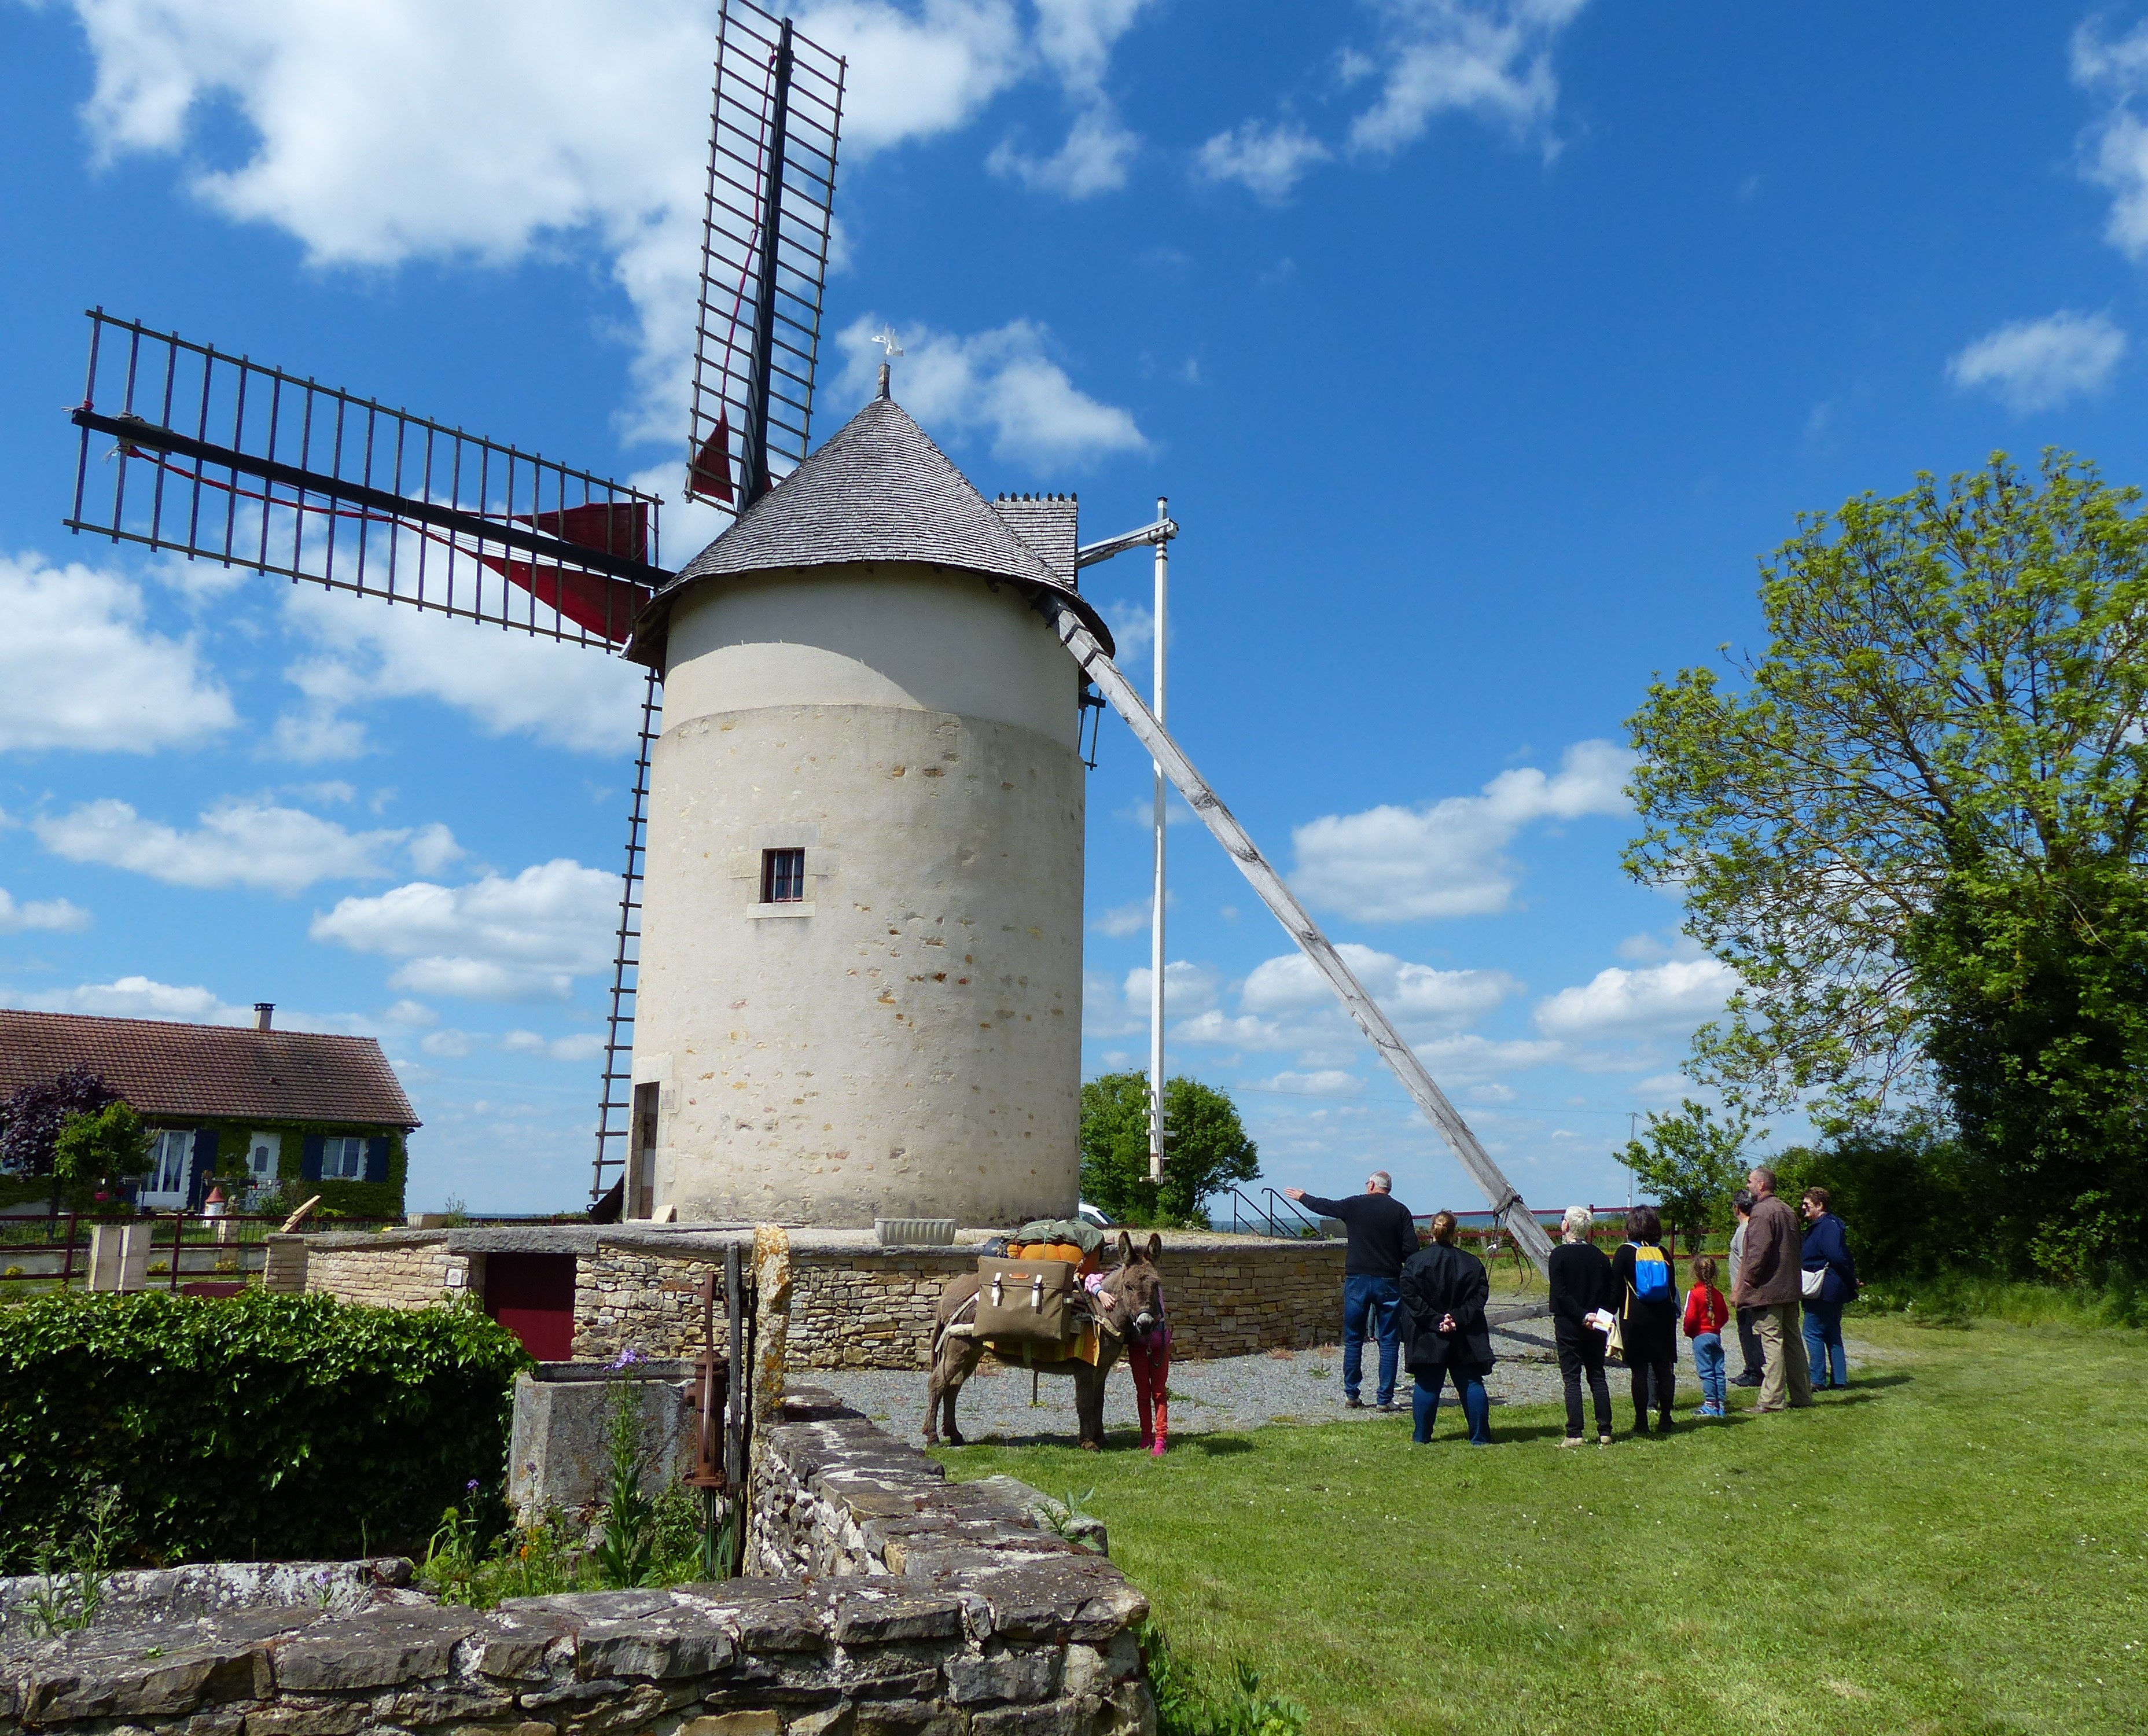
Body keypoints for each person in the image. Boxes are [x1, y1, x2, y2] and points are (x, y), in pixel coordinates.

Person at [1285, 1172, 1418, 1411]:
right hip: (1388, 1280)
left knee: (1354, 1338)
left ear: (1372, 1185)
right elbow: (1412, 1250)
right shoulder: (1401, 1211)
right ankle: (1384, 1398)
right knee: (1389, 1341)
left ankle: (1352, 1393)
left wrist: (1303, 1197)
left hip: (1357, 1279)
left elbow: (1326, 1206)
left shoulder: (1356, 1204)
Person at [1397, 1211, 1494, 1444]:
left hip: (1427, 1332)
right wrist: (1456, 1318)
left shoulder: (1415, 1263)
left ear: (1432, 1230)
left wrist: (1436, 1320)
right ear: (1454, 1232)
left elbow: (1410, 1297)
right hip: (1465, 1332)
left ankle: (1422, 1436)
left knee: (1428, 1384)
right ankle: (1479, 1437)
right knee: (1471, 1383)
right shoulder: (1472, 1263)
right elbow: (1480, 1297)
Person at [1732, 1166, 1812, 1412]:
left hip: (1770, 1290)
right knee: (1793, 1342)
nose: (1747, 1186)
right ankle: (1802, 1395)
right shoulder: (1788, 1210)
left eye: (1750, 1182)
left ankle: (1771, 1400)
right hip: (1790, 1288)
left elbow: (1757, 1253)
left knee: (1772, 1342)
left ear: (1762, 1185)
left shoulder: (1762, 1213)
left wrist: (1746, 1284)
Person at [1547, 1205, 1616, 1446]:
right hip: (1596, 1324)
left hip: (1569, 1323)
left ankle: (1575, 1432)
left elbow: (1561, 1293)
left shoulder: (1559, 1255)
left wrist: (1582, 1315)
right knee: (1597, 1375)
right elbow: (1611, 1292)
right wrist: (1599, 1316)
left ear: (1566, 1226)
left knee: (1572, 1378)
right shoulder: (1599, 1257)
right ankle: (1605, 1430)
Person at [1610, 1205, 1679, 1434]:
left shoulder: (1624, 1252)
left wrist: (1605, 1316)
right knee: (1663, 1370)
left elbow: (1615, 1291)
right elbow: (1672, 1288)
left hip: (1635, 1318)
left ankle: (1642, 1422)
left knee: (1639, 1372)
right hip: (1663, 1318)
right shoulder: (1664, 1254)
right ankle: (1666, 1419)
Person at [1800, 1186, 1859, 1391]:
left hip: (1824, 1288)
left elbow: (1836, 1256)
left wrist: (1850, 1280)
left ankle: (1817, 1380)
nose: (1803, 1208)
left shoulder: (1826, 1227)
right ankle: (1839, 1379)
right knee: (1832, 1332)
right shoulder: (1828, 1225)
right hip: (1833, 1286)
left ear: (1820, 1205)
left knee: (1812, 1332)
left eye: (1807, 1204)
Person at [1683, 1254, 1730, 1417]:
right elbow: (1725, 1316)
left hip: (1700, 1336)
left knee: (1707, 1372)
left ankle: (1710, 1404)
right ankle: (1721, 1404)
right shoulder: (1718, 1294)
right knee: (1719, 1371)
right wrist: (1715, 1327)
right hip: (1715, 1335)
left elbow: (1690, 1318)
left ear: (1695, 1272)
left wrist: (1689, 1332)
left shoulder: (1694, 1294)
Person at [1726, 1189, 1765, 1388]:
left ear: (1737, 1207)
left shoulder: (1745, 1230)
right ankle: (1752, 1368)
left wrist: (1739, 1290)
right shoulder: (1747, 1228)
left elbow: (1745, 1262)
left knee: (1746, 1330)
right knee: (1747, 1329)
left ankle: (1754, 1370)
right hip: (1746, 1289)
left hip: (1745, 1291)